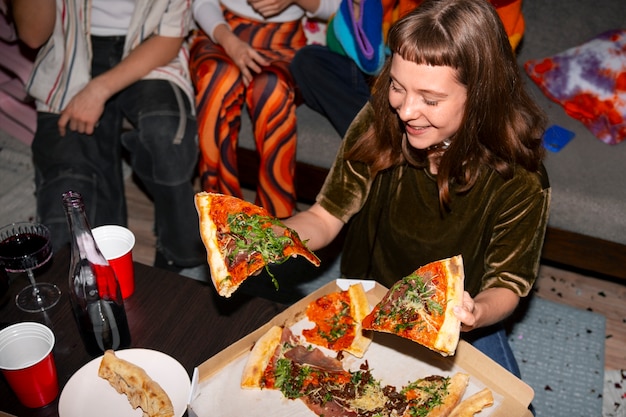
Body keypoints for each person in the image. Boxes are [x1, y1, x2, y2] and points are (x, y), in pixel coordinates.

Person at [282, 0, 550, 380]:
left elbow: (507, 285)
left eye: (430, 99)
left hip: (455, 315)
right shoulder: (382, 118)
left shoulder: (522, 181)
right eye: (397, 86)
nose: (405, 110)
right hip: (372, 293)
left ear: (480, 95)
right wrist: (275, 235)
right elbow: (325, 215)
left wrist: (474, 315)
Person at [11, 0, 206, 272]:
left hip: (151, 47)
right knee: (68, 195)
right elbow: (32, 35)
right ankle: (103, 264)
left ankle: (181, 251)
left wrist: (98, 91)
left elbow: (169, 37)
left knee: (166, 135)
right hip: (71, 51)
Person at [190, 0, 340, 218]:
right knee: (218, 80)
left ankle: (276, 222)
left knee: (272, 90)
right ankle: (220, 215)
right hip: (221, 29)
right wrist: (230, 42)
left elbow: (342, 8)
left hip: (284, 40)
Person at [290, 0, 526, 137]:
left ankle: (383, 142)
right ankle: (381, 139)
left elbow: (484, 84)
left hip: (449, 96)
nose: (406, 113)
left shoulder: (495, 13)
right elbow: (357, 51)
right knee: (308, 62)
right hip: (388, 79)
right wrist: (355, 21)